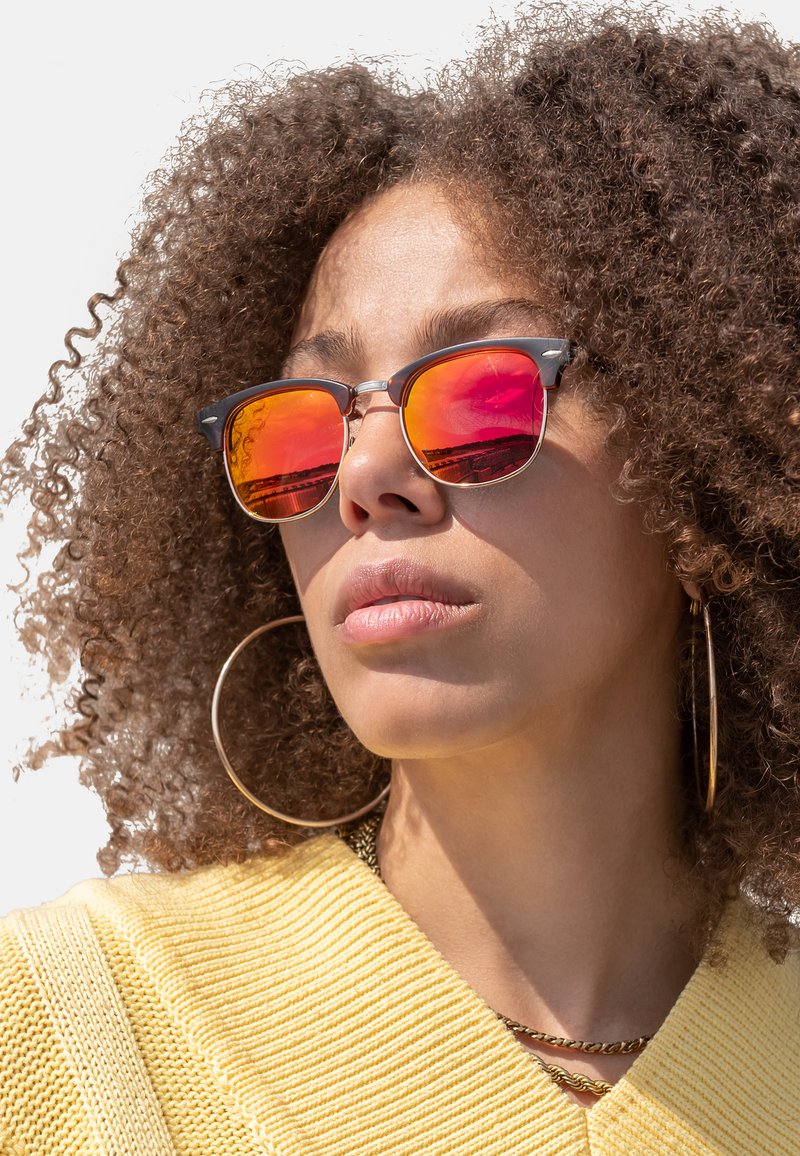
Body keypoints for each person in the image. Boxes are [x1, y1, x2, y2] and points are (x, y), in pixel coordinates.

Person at [1, 3, 798, 1152]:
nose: (367, 475)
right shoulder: (62, 1034)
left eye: (479, 396)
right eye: (296, 432)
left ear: (702, 447)